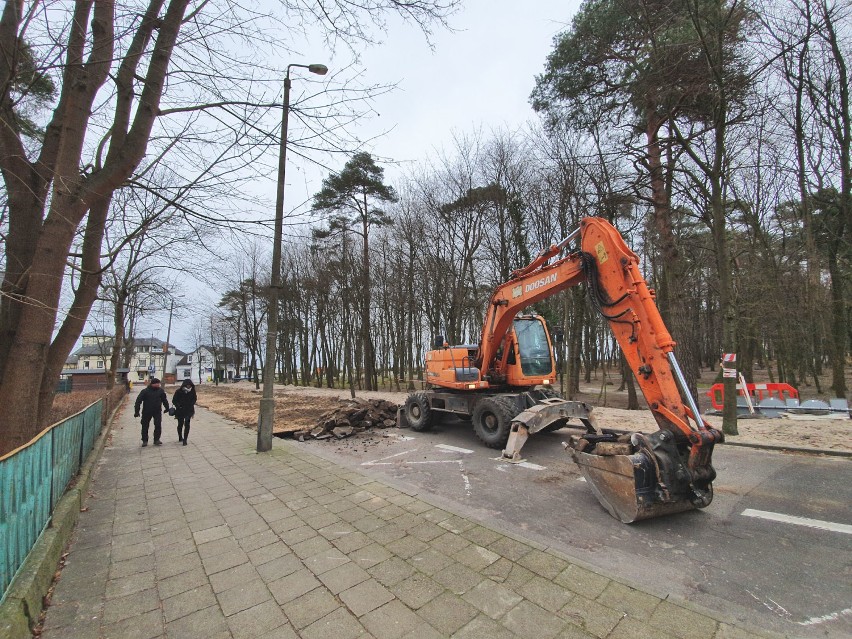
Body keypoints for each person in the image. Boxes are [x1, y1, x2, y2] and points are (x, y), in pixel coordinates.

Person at [134, 378, 169, 446]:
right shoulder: (145, 391)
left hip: (157, 411)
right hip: (147, 411)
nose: (158, 385)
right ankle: (144, 440)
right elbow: (138, 401)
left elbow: (164, 400)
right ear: (152, 384)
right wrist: (136, 411)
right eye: (157, 383)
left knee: (158, 425)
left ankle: (156, 439)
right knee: (145, 426)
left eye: (159, 383)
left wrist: (167, 408)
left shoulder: (160, 391)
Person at [172, 378, 197, 445]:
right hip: (180, 410)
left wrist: (191, 404)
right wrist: (178, 405)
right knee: (180, 424)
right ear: (184, 385)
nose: (189, 386)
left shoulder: (192, 391)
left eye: (190, 385)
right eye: (188, 385)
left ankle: (185, 439)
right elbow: (174, 400)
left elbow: (194, 399)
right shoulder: (178, 391)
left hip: (189, 410)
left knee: (187, 424)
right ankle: (180, 436)